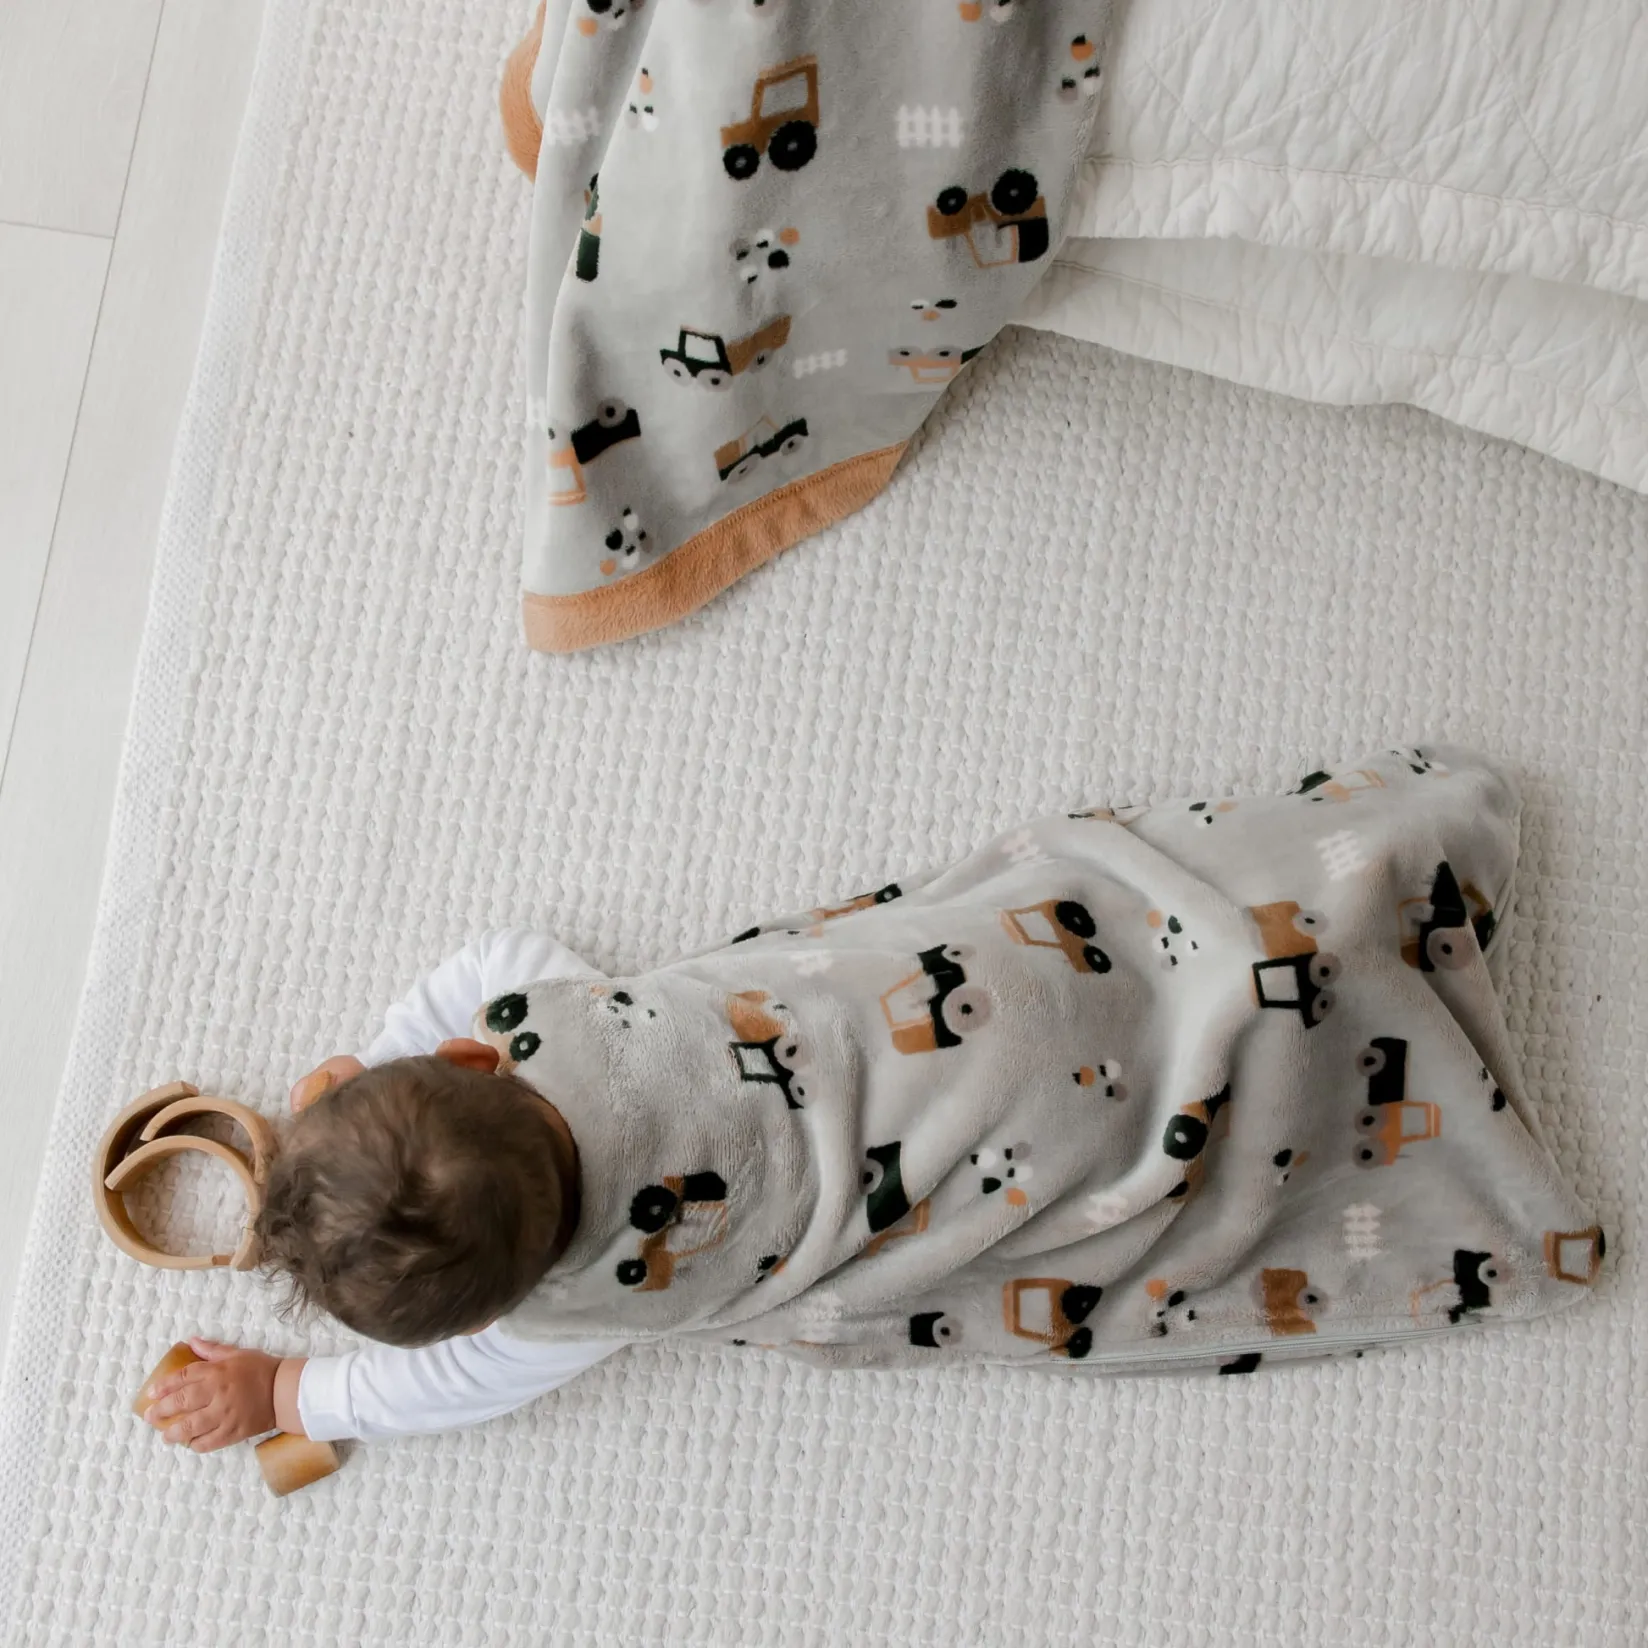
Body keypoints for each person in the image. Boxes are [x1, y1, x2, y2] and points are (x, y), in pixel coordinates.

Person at [140, 750, 1603, 1457]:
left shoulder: (561, 1315)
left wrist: (290, 1395)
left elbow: (443, 1387)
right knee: (1103, 960)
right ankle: (1326, 921)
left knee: (1106, 1189)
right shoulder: (541, 1020)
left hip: (990, 1142)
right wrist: (373, 1057)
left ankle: (1321, 1074)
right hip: (990, 994)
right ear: (474, 1067)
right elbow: (482, 961)